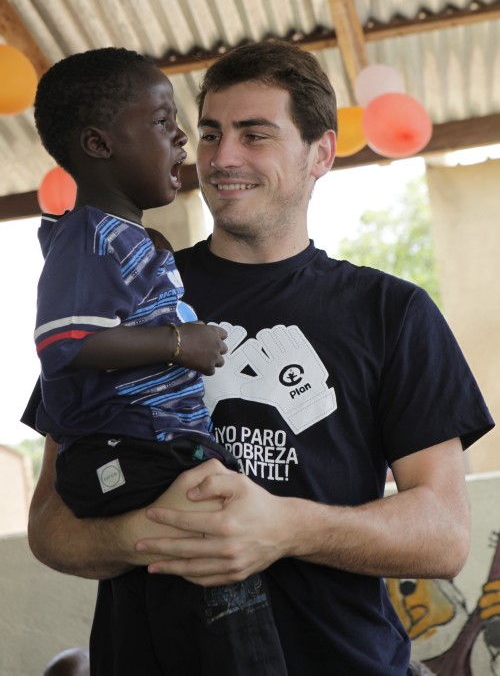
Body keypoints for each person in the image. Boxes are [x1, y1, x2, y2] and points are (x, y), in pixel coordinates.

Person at [26, 40, 494, 676]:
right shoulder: (124, 288)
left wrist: (284, 527)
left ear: (320, 153)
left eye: (254, 135)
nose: (222, 158)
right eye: (210, 134)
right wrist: (152, 535)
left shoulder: (392, 312)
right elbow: (51, 526)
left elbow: (443, 535)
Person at [29, 47, 287, 675]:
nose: (182, 138)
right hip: (125, 449)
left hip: (152, 445)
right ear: (98, 144)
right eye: (162, 121)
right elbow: (65, 345)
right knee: (216, 541)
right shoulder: (88, 237)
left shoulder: (128, 240)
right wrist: (179, 343)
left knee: (190, 576)